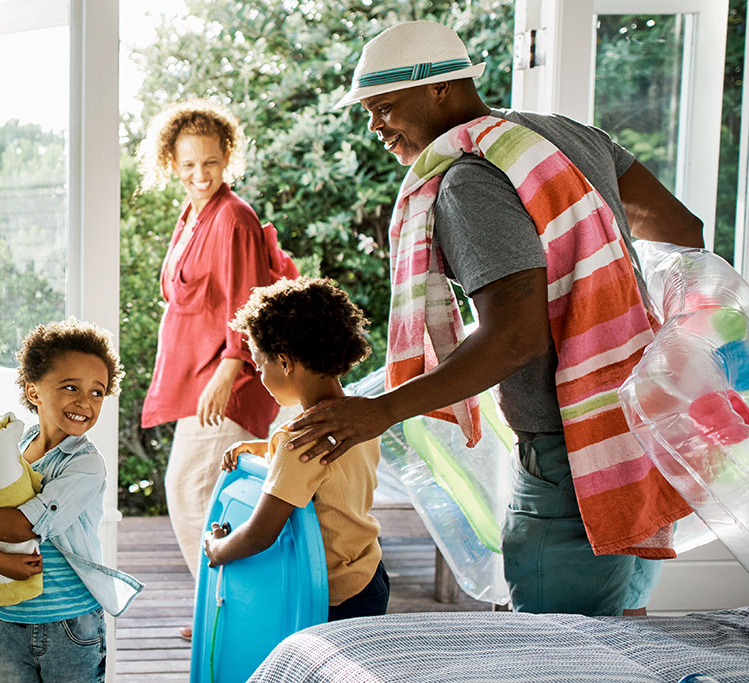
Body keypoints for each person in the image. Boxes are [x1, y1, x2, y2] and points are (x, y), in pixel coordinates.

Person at [286, 20, 705, 617]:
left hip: (572, 459)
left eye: (383, 107)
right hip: (634, 435)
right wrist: (615, 309)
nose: (374, 126)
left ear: (438, 89)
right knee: (618, 639)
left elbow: (515, 337)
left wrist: (382, 411)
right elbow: (683, 231)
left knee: (550, 655)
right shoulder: (565, 138)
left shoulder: (471, 180)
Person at [137, 100, 294, 637]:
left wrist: (229, 367)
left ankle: (230, 612)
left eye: (209, 162)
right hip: (202, 379)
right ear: (171, 165)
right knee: (203, 494)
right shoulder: (194, 213)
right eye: (188, 165)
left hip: (227, 380)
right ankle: (222, 608)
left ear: (227, 156)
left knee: (188, 490)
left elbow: (247, 299)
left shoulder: (234, 217)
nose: (200, 174)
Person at [0, 319, 142, 681]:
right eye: (71, 387)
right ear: (34, 392)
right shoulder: (13, 448)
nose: (86, 402)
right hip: (9, 621)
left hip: (70, 626)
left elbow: (22, 525)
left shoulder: (84, 464)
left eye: (97, 392)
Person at [204, 277, 389, 621]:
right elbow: (329, 475)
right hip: (369, 574)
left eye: (261, 366)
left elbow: (260, 534)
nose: (260, 376)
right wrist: (266, 448)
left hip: (331, 593)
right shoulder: (361, 416)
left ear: (285, 362)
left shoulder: (300, 441)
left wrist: (218, 550)